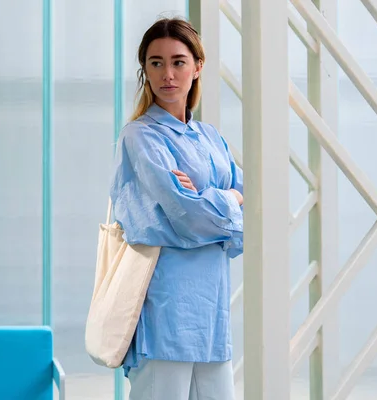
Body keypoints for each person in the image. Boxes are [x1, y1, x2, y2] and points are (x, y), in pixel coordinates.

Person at [109, 17, 244, 399]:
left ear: (198, 66)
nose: (167, 73)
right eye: (156, 63)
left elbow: (249, 208)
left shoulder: (210, 137)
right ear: (145, 70)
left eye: (178, 61)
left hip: (213, 313)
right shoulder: (140, 136)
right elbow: (186, 215)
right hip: (165, 306)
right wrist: (227, 198)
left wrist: (212, 201)